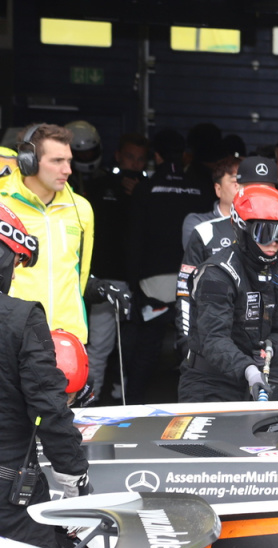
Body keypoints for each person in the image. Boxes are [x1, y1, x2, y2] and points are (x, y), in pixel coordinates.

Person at [175, 156, 278, 391]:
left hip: (264, 370)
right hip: (213, 372)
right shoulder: (205, 235)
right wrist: (188, 346)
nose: (273, 242)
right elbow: (187, 301)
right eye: (251, 188)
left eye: (268, 188)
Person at [0, 204, 90, 548]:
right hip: (10, 496)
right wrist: (75, 479)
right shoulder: (21, 318)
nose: (14, 275)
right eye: (16, 263)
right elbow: (48, 408)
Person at [178, 184, 278, 403]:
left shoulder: (276, 272)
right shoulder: (217, 274)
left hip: (256, 381)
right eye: (265, 233)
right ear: (243, 229)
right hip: (209, 383)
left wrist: (271, 350)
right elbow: (214, 339)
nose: (274, 242)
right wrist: (248, 369)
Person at [123, 126, 206, 401]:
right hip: (192, 282)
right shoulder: (201, 188)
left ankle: (132, 405)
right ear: (183, 155)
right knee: (192, 352)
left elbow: (134, 240)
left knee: (146, 349)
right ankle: (194, 407)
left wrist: (133, 283)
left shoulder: (145, 189)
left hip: (153, 283)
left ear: (156, 156)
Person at [0, 124, 97, 346]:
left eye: (69, 161)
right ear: (28, 162)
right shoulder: (2, 205)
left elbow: (80, 277)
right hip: (13, 337)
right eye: (57, 161)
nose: (67, 170)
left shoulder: (81, 209)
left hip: (68, 338)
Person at [83, 133, 149, 399]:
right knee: (100, 344)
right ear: (118, 156)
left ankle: (125, 397)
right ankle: (91, 399)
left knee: (132, 347)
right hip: (105, 276)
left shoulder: (149, 190)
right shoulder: (99, 186)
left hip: (140, 281)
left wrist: (140, 198)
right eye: (130, 157)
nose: (134, 163)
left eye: (140, 159)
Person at [182, 156, 240, 246]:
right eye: (236, 181)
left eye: (247, 182)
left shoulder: (256, 223)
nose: (242, 186)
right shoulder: (198, 222)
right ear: (218, 189)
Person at [65, 120, 104, 194]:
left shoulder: (106, 179)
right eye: (81, 154)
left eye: (91, 152)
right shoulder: (62, 180)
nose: (87, 156)